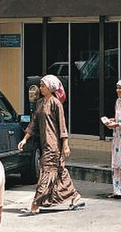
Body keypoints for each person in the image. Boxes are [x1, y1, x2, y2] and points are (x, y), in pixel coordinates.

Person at [18, 74, 84, 214]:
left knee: (47, 173)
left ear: (51, 87)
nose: (41, 88)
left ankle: (36, 204)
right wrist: (25, 139)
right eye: (41, 86)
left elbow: (62, 126)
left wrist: (65, 144)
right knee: (60, 173)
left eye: (43, 86)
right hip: (44, 143)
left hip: (54, 145)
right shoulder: (40, 103)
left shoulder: (56, 103)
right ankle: (75, 196)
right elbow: (33, 123)